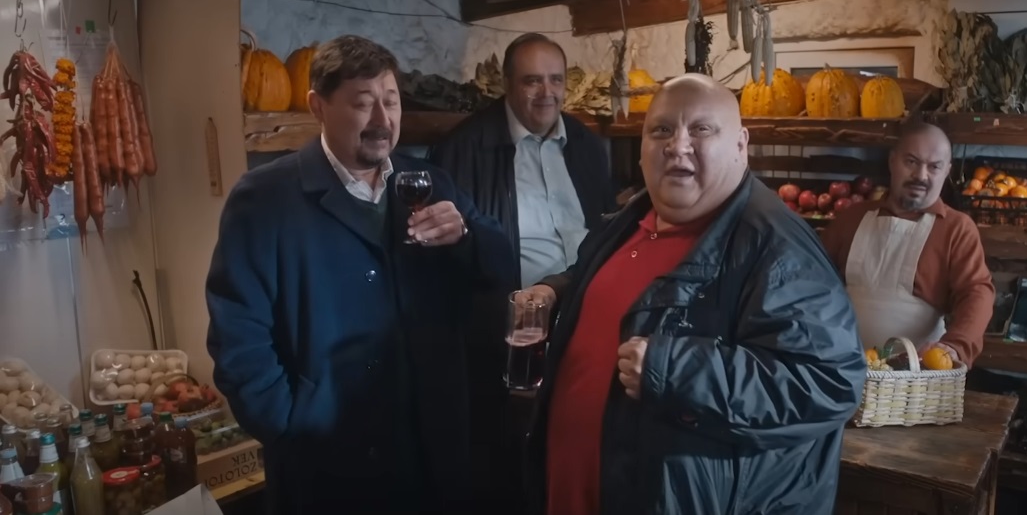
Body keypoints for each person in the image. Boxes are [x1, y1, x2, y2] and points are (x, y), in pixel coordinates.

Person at [518, 74, 866, 515]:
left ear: (740, 145)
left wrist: (674, 370)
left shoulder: (777, 248)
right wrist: (555, 292)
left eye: (701, 129)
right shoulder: (630, 218)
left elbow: (828, 382)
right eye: (661, 129)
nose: (677, 145)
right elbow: (612, 285)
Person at [205, 35, 515, 514]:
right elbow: (237, 337)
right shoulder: (264, 200)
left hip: (432, 453)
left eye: (391, 101)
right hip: (327, 463)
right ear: (318, 106)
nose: (382, 120)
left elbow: (500, 267)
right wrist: (289, 426)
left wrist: (467, 234)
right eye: (363, 103)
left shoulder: (429, 183)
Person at [429, 32, 616, 511]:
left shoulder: (588, 146)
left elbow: (602, 227)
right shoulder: (463, 149)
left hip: (583, 318)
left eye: (556, 80)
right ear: (507, 85)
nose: (546, 92)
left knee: (575, 447)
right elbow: (450, 261)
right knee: (510, 464)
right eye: (532, 81)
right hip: (510, 333)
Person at [821, 121, 994, 366]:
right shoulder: (851, 218)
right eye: (911, 162)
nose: (921, 175)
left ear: (947, 171)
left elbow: (976, 293)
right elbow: (816, 283)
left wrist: (956, 346)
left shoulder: (957, 229)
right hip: (842, 366)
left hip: (917, 375)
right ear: (892, 161)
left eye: (934, 166)